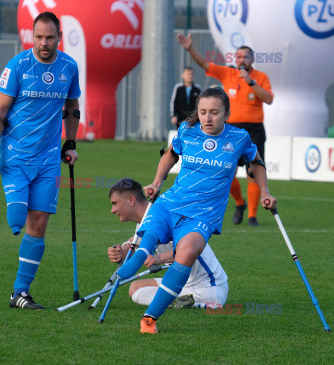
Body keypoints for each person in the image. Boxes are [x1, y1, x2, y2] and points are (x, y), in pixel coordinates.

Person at [116, 87, 277, 334]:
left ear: (227, 113)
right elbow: (170, 154)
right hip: (172, 203)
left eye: (214, 112)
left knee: (188, 250)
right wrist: (157, 182)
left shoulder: (239, 138)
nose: (208, 118)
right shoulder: (186, 130)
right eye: (203, 112)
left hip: (202, 215)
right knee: (152, 232)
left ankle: (149, 319)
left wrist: (265, 192)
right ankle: (138, 257)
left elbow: (256, 164)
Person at [0, 12, 81, 310]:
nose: (44, 43)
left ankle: (20, 292)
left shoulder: (69, 67)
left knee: (38, 222)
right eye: (39, 37)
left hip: (49, 159)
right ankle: (17, 226)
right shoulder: (17, 66)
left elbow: (72, 107)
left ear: (59, 37)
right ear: (32, 37)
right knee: (17, 217)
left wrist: (71, 144)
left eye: (50, 37)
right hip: (15, 156)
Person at [177, 33, 274, 227]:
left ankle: (252, 216)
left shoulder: (260, 77)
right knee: (224, 168)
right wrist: (189, 49)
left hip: (253, 130)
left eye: (245, 57)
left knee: (253, 171)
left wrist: (251, 82)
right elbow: (205, 65)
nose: (241, 60)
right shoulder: (228, 73)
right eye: (238, 57)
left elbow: (269, 99)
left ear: (252, 59)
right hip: (229, 129)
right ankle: (240, 203)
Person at [107, 178, 228, 309]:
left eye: (115, 203)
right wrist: (121, 251)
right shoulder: (145, 223)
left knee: (144, 293)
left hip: (208, 286)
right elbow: (135, 242)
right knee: (135, 288)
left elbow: (188, 250)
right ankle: (177, 301)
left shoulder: (166, 216)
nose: (112, 210)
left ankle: (204, 302)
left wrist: (158, 258)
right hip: (184, 283)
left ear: (131, 200)